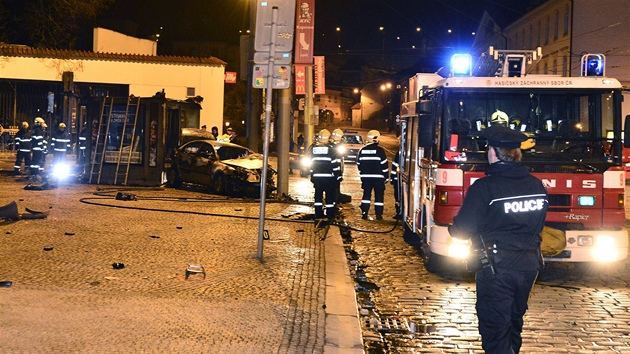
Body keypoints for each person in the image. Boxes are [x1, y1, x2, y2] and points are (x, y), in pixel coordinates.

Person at [448, 124, 549, 354]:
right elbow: (537, 224)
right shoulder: (537, 186)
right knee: (514, 323)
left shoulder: (485, 187)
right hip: (529, 266)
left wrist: (455, 229)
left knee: (495, 329)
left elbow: (463, 229)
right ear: (517, 153)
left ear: (493, 152)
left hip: (496, 268)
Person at [309, 129, 342, 227]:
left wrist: (312, 176)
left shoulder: (313, 149)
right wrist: (338, 176)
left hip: (317, 178)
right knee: (329, 198)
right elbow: (335, 165)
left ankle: (318, 214)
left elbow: (311, 165)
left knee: (318, 197)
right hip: (329, 178)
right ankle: (330, 215)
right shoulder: (331, 150)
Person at [357, 130, 388, 220]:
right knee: (379, 197)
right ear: (376, 139)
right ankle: (378, 215)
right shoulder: (380, 151)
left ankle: (364, 213)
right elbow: (384, 165)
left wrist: (362, 174)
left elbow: (359, 164)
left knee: (366, 195)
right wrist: (386, 177)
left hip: (366, 178)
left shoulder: (362, 150)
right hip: (378, 178)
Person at [390, 150, 401, 219]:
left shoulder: (399, 153)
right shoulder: (399, 152)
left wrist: (392, 179)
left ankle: (398, 212)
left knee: (398, 198)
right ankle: (399, 212)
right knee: (398, 198)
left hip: (397, 181)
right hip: (399, 181)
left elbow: (394, 167)